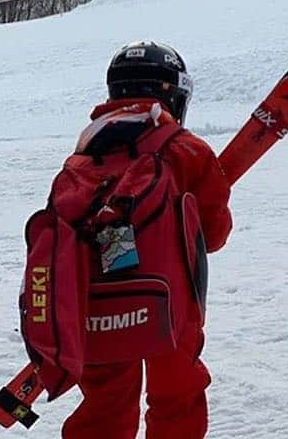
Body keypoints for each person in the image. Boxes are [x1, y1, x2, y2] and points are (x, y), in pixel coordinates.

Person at [62, 41, 232, 439]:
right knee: (177, 397)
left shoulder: (84, 155)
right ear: (171, 93)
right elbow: (215, 233)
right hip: (170, 307)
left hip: (97, 306)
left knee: (104, 407)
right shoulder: (186, 150)